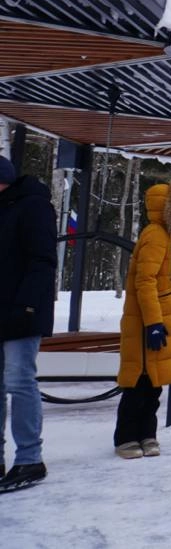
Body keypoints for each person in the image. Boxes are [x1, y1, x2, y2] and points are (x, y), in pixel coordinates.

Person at [114, 176, 171, 460]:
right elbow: (145, 282)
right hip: (150, 322)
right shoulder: (156, 236)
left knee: (153, 383)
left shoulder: (170, 238)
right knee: (139, 383)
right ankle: (126, 438)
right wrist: (153, 322)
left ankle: (147, 433)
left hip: (162, 320)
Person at [0, 155, 56, 492]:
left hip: (22, 311)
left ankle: (30, 458)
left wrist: (28, 306)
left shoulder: (32, 206)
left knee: (19, 381)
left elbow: (42, 260)